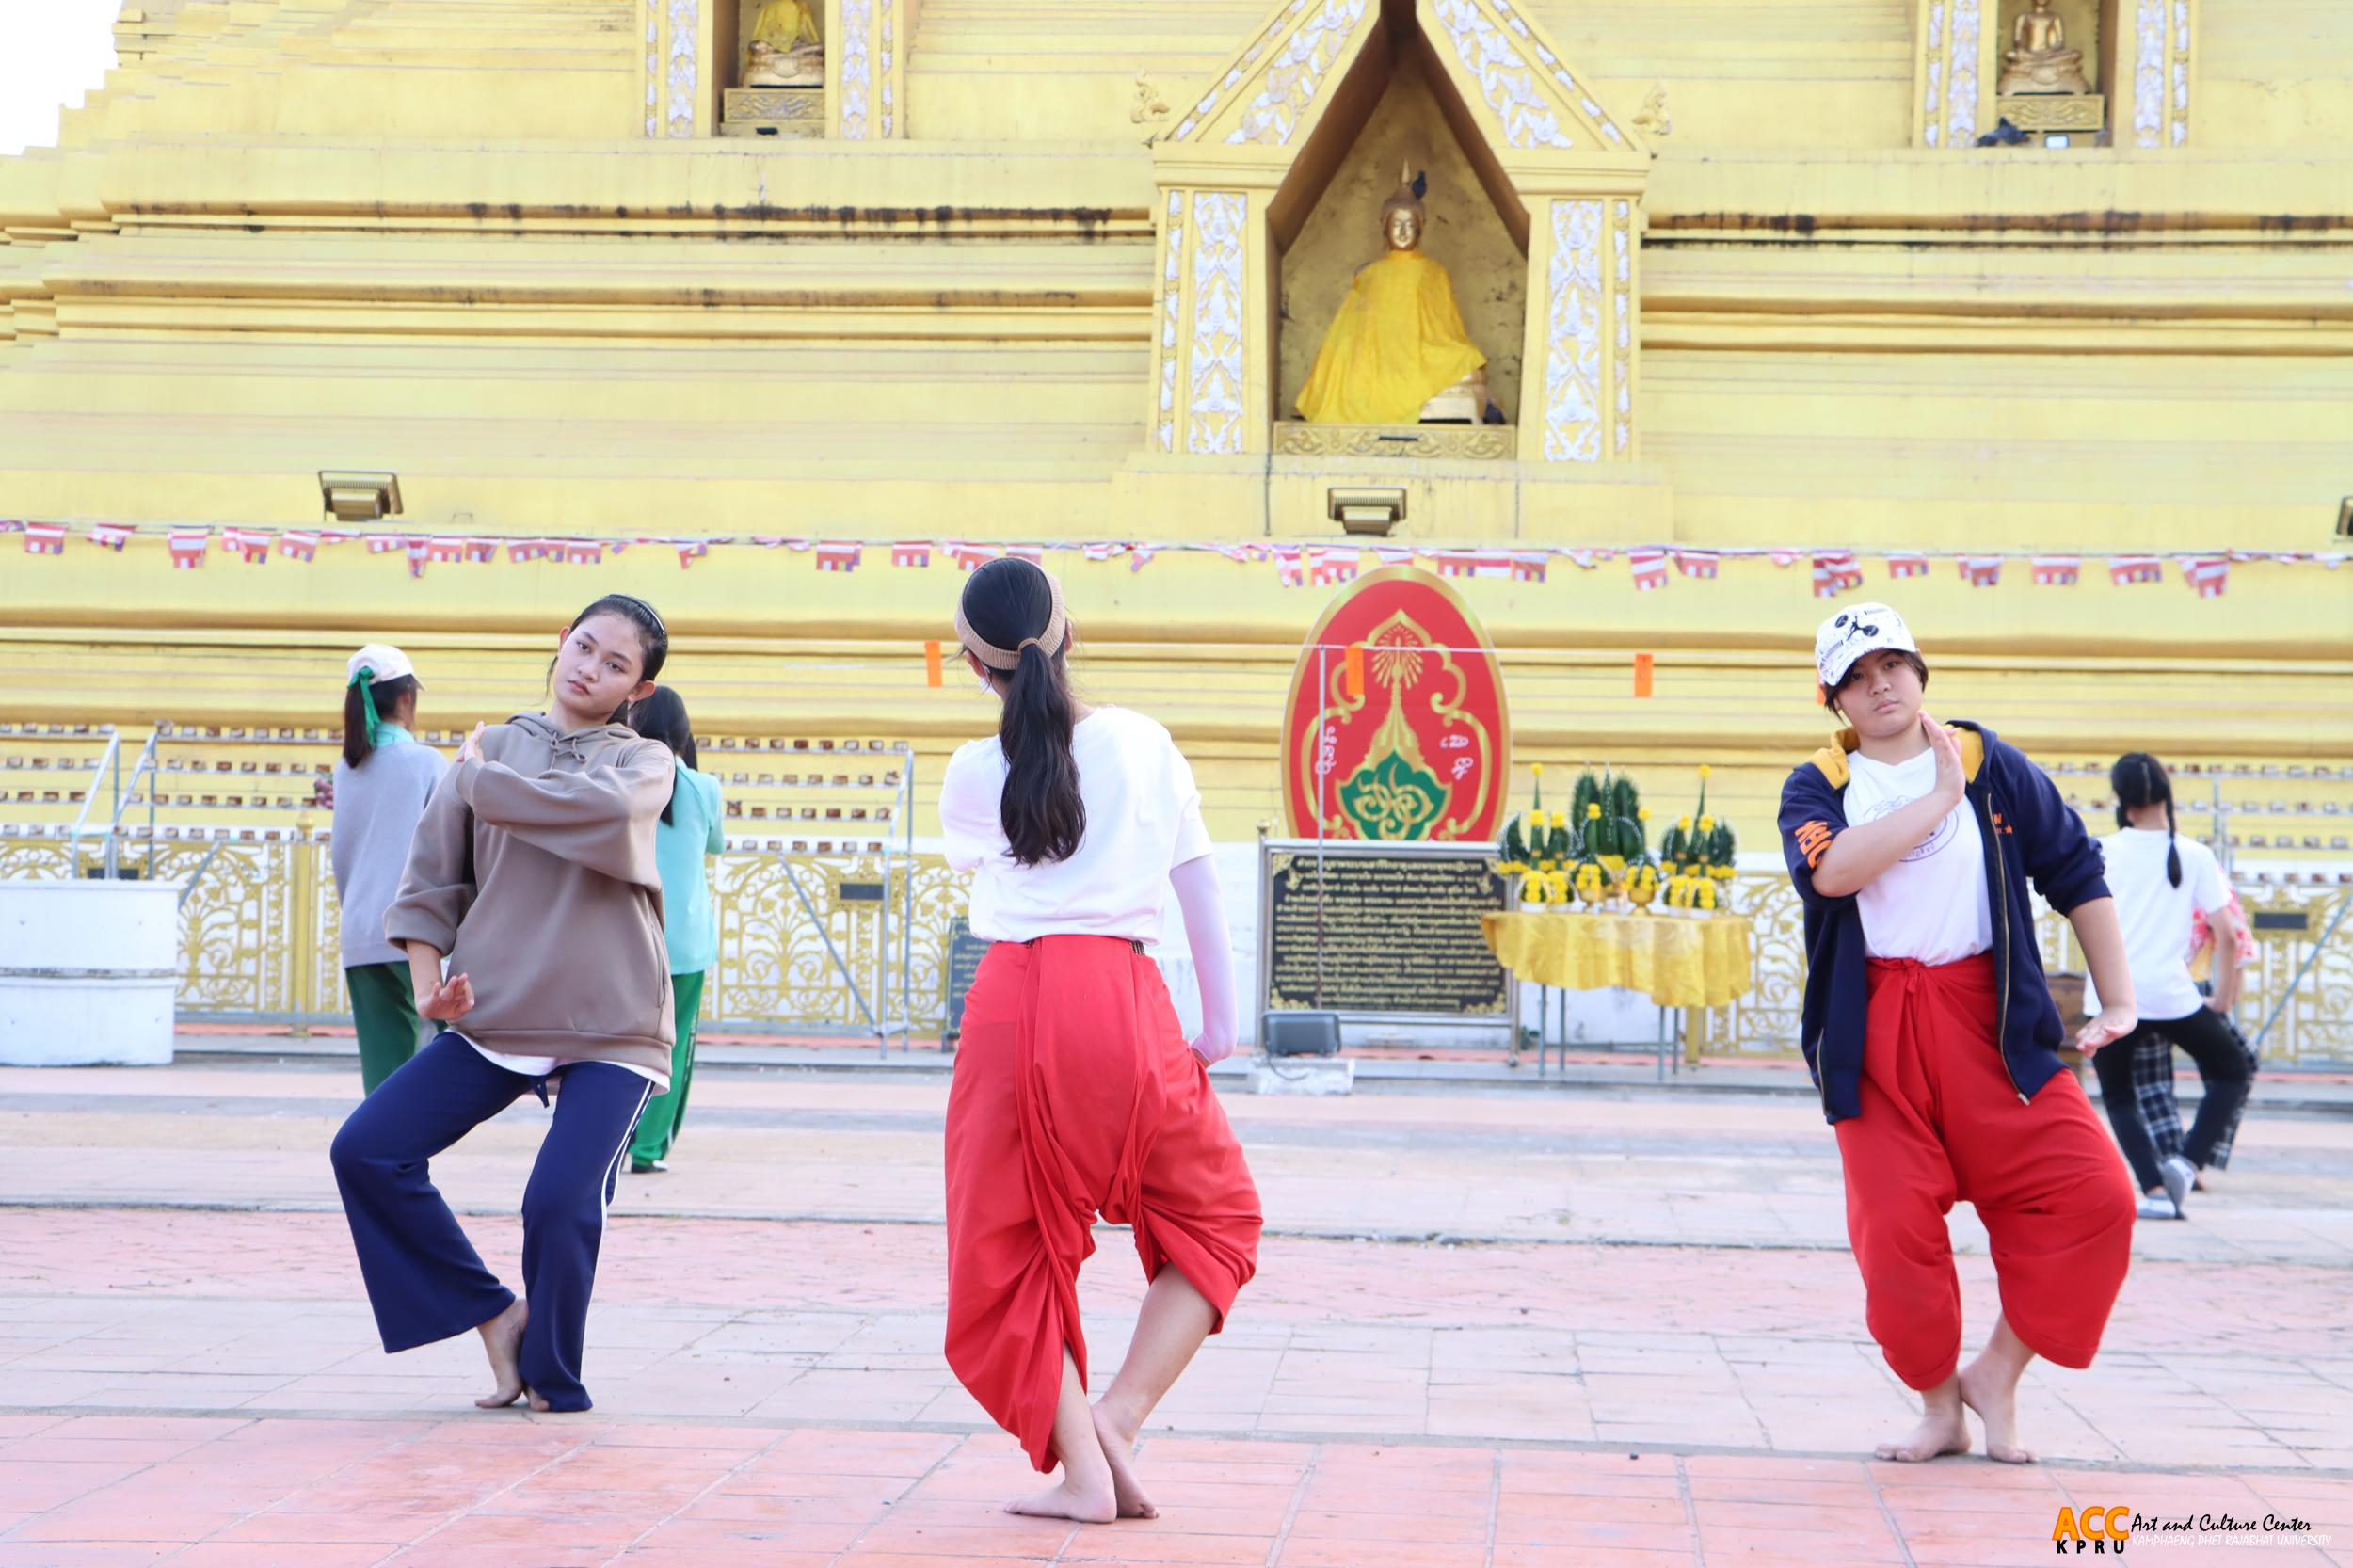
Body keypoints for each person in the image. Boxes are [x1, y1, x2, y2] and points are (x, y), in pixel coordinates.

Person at [937, 557, 1261, 1524]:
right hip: (1126, 994)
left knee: (1012, 1243)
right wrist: (1217, 1024)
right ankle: (1117, 1417)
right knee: (1219, 1218)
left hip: (1015, 998)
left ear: (972, 662)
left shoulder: (971, 770)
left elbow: (1000, 859)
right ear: (1067, 630)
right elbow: (1195, 886)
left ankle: (1084, 1467)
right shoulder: (1144, 741)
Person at [1779, 603, 2138, 1465]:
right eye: (1858, 677)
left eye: (1893, 665)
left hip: (1992, 1029)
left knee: (2099, 1196)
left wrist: (2119, 1001)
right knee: (1896, 1235)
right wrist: (1940, 799)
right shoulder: (1818, 784)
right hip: (1876, 1039)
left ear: (1919, 672)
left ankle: (1995, 1375)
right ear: (1836, 698)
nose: (1881, 685)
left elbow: (2074, 870)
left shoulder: (1990, 765)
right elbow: (1831, 873)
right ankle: (1939, 1408)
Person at [328, 594, 678, 1415]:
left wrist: (480, 780)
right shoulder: (491, 750)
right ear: (562, 643)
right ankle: (495, 1318)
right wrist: (427, 991)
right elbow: (430, 886)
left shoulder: (643, 762)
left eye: (616, 664)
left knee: (557, 1200)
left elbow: (600, 814)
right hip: (498, 1012)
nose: (591, 668)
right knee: (367, 1150)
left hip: (613, 1021)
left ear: (639, 690)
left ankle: (554, 1380)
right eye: (585, 647)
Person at [2089, 752, 2254, 1220]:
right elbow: (2228, 934)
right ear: (2166, 792)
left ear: (2120, 798)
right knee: (2232, 1070)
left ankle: (2156, 1191)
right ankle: (2187, 1160)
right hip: (2171, 994)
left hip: (2109, 996)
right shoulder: (2196, 854)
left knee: (2120, 1097)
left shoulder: (2100, 850)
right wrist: (2222, 1000)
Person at [329, 644, 448, 1094]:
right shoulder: (425, 764)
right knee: (436, 1066)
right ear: (406, 700)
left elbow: (342, 855)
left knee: (382, 1072)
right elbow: (448, 852)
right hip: (413, 936)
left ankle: (381, 1158)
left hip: (360, 931)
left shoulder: (346, 770)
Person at [620, 685, 725, 1174]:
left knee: (620, 1045)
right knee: (674, 1043)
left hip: (625, 938)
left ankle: (615, 1141)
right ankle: (648, 1148)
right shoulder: (705, 790)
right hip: (684, 941)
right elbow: (715, 846)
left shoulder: (620, 780)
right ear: (684, 734)